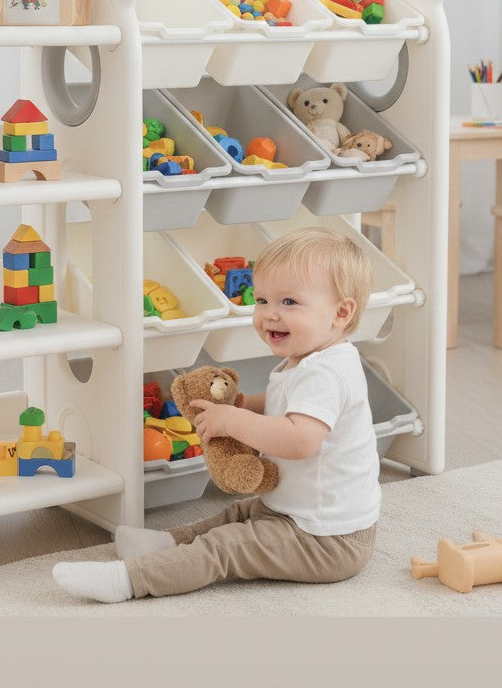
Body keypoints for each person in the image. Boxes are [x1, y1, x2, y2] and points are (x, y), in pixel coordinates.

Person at [53, 226, 381, 603]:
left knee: (229, 545)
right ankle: (166, 544)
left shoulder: (325, 372)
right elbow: (283, 405)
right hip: (301, 515)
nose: (269, 315)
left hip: (327, 539)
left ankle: (130, 581)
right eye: (261, 301)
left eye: (289, 302)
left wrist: (233, 422)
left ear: (341, 312)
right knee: (237, 515)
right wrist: (245, 406)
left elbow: (300, 440)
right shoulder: (310, 360)